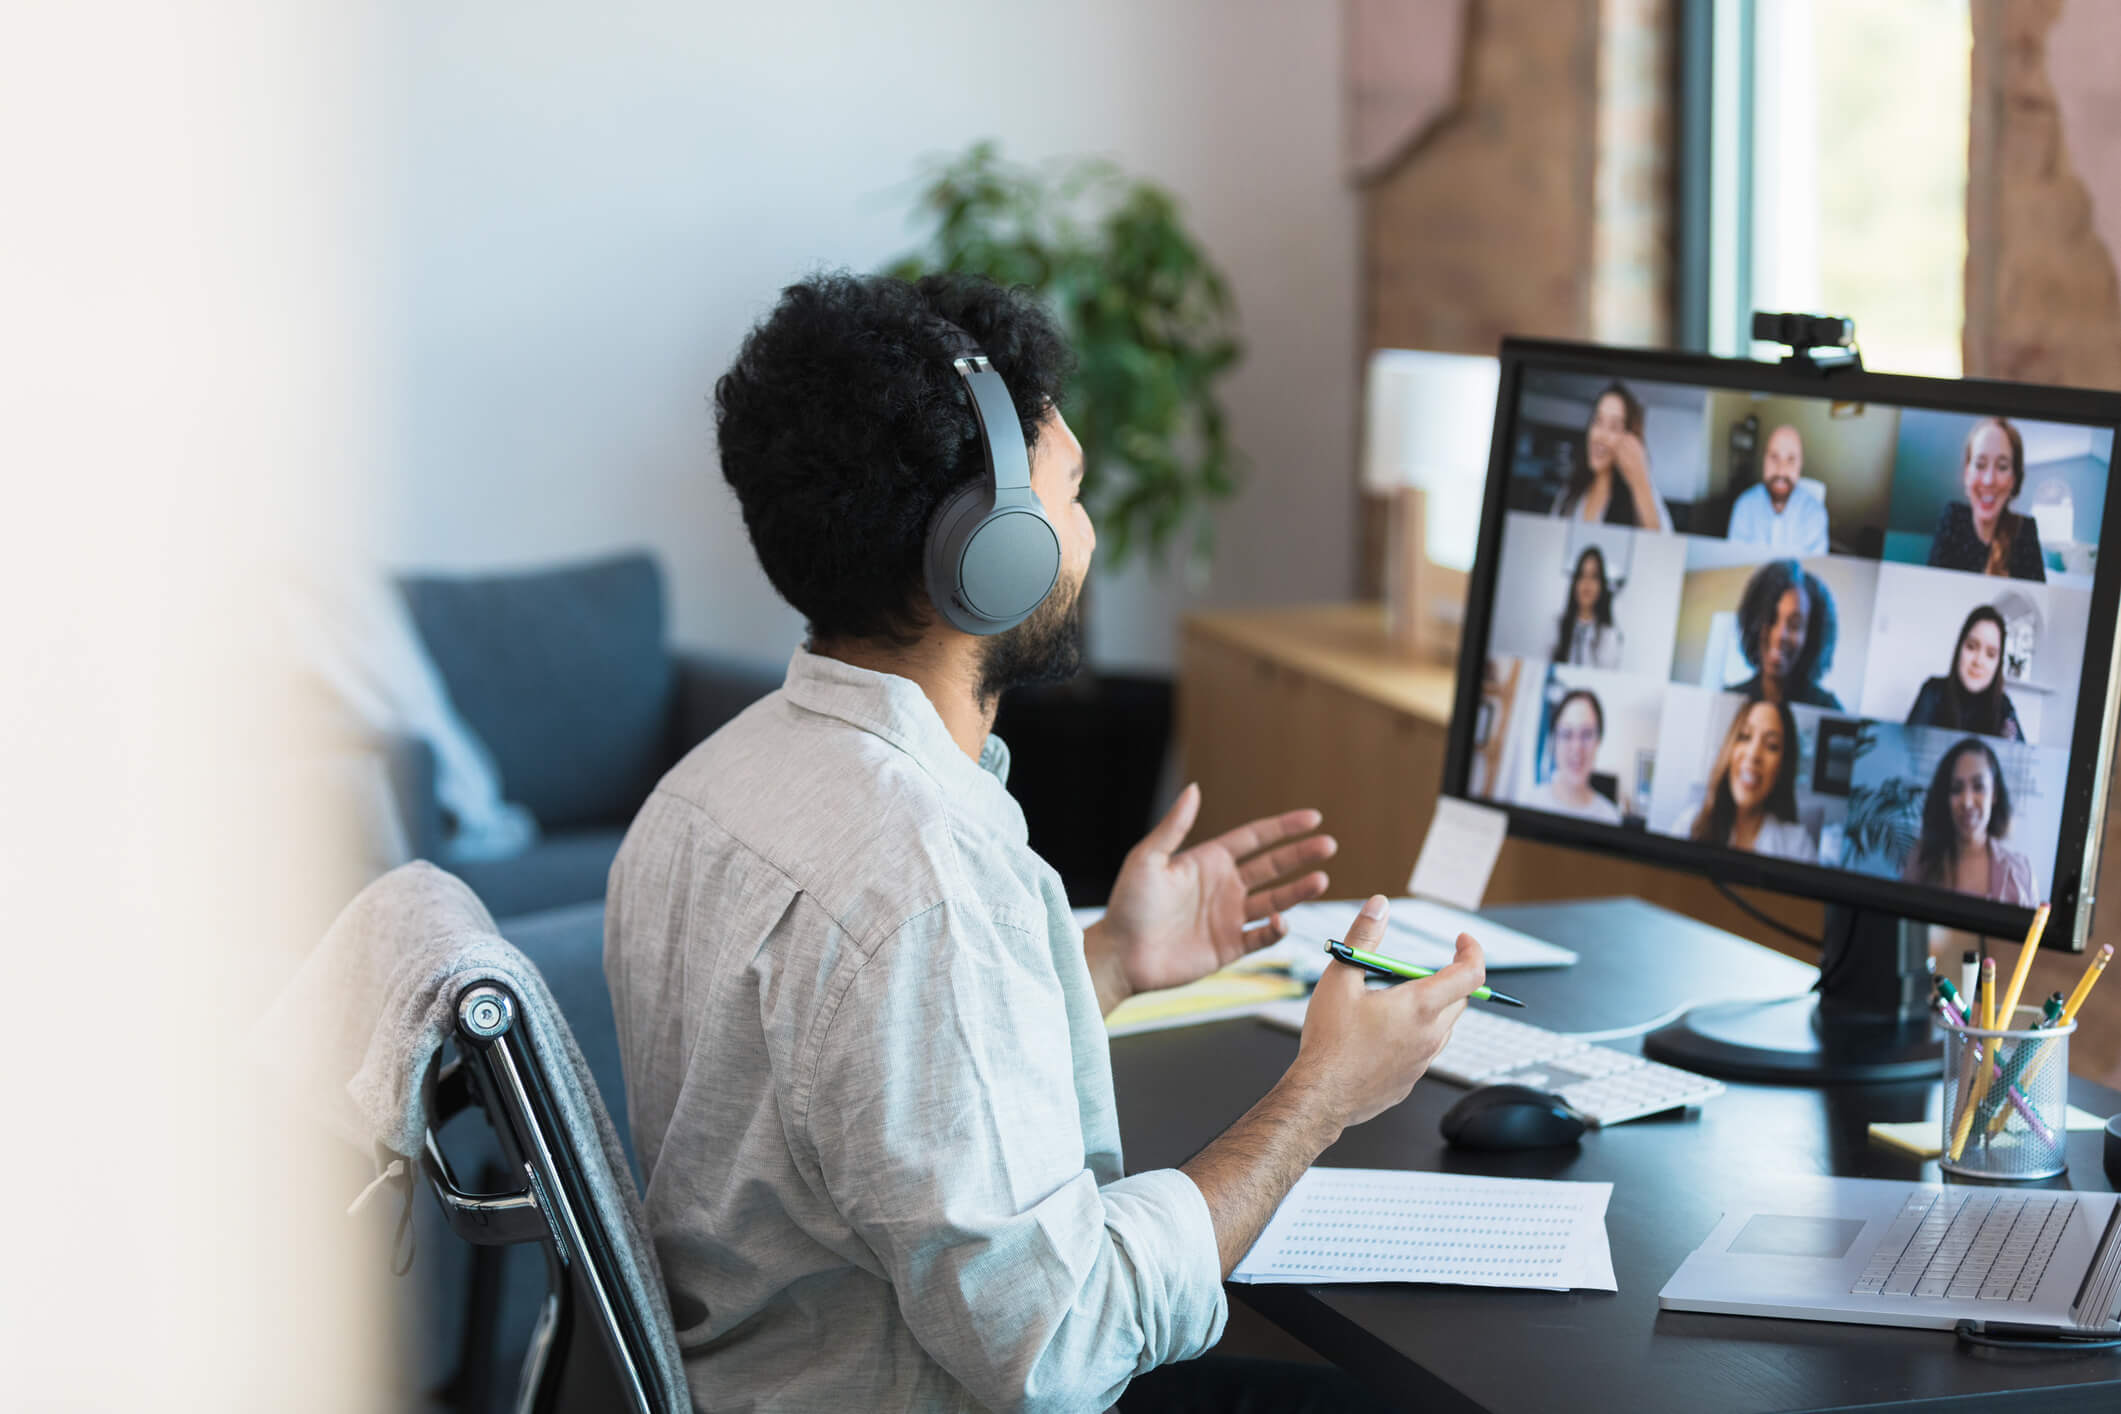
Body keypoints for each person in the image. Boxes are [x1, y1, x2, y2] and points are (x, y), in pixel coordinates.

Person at [605, 272, 1482, 1414]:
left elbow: (853, 1097)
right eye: (1069, 494)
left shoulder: (700, 791)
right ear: (992, 555)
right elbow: (1061, 1346)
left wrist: (1110, 955)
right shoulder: (924, 883)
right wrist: (1325, 1090)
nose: (1090, 531)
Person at [1667, 696, 1816, 861]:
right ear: (1729, 749)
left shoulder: (1798, 848)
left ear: (1782, 767)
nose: (1753, 755)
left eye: (1771, 745)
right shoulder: (1688, 825)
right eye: (1745, 736)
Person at [1902, 736, 2038, 904]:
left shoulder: (2021, 872)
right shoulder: (1920, 861)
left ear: (1994, 793)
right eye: (1956, 789)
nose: (1967, 802)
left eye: (1978, 787)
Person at [1926, 416, 2047, 581]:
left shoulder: (2025, 531)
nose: (1989, 480)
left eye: (2002, 467)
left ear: (2013, 479)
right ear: (1967, 473)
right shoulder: (1953, 518)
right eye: (1980, 465)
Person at [1549, 380, 1675, 532]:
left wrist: (1640, 481)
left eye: (1614, 427)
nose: (1600, 436)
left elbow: (1662, 545)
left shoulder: (1641, 494)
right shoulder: (1569, 493)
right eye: (1598, 421)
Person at [1723, 557, 1843, 709]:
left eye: (1795, 625)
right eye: (1771, 618)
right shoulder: (1729, 699)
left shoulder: (1828, 709)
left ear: (1811, 635)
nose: (1780, 636)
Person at [1904, 604, 2025, 742]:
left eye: (1990, 654)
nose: (1978, 661)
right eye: (1971, 647)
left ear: (1999, 663)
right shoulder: (1933, 691)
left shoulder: (2004, 706)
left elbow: (2020, 756)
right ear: (1959, 648)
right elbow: (1908, 749)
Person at [1518, 688, 1624, 823]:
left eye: (1587, 734)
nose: (1576, 747)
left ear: (1598, 741)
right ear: (1553, 742)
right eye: (1566, 733)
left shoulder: (1610, 817)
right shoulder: (1529, 803)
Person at [1726, 423, 1829, 555]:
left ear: (1800, 465)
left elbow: (1815, 569)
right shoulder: (1743, 506)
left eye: (1790, 460)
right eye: (1774, 457)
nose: (1781, 471)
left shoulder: (1815, 514)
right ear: (1764, 460)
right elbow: (1734, 561)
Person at [1552, 544, 1624, 668]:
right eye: (1582, 576)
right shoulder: (1556, 625)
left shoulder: (1610, 636)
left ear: (1601, 585)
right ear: (1575, 583)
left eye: (1593, 577)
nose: (1587, 583)